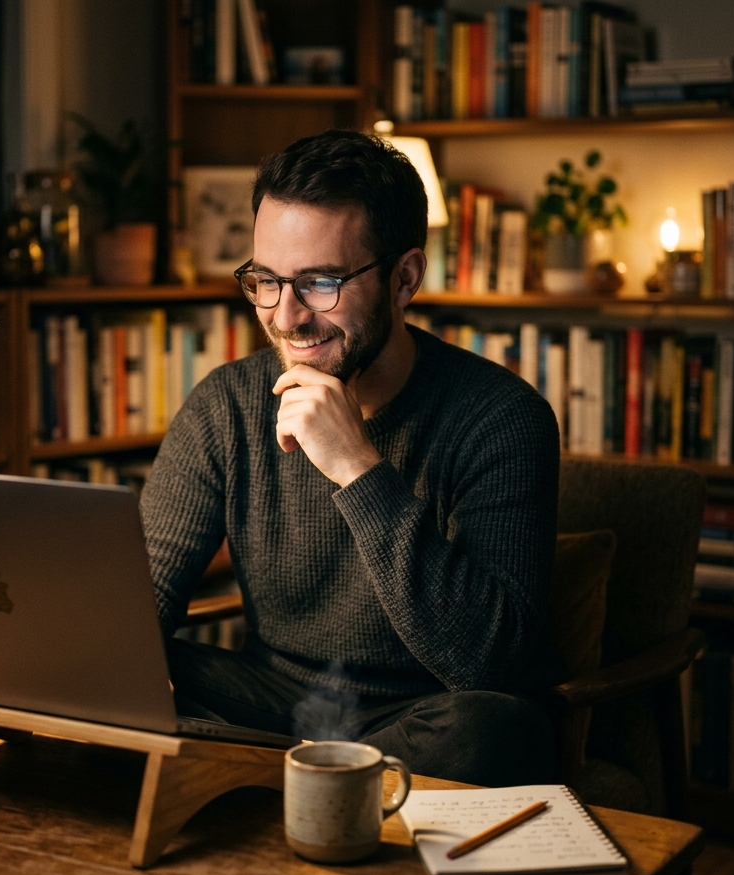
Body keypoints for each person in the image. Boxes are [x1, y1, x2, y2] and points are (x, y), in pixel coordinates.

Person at [139, 129, 562, 785]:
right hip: (275, 702)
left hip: (423, 718)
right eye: (267, 281)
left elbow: (494, 665)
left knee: (500, 728)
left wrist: (359, 471)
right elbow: (141, 604)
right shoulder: (226, 404)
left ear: (404, 278)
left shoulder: (500, 418)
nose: (286, 318)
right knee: (115, 671)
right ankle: (308, 791)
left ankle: (261, 789)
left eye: (320, 283)